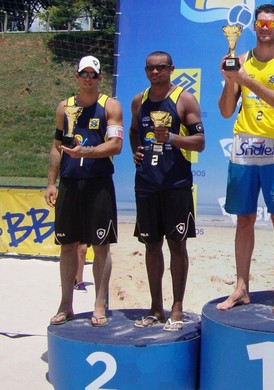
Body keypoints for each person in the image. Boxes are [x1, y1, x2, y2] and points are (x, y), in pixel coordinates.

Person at [217, 4, 274, 314]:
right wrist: (231, 81)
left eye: (270, 22)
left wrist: (248, 81)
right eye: (260, 22)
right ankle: (241, 287)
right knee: (244, 219)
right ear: (254, 27)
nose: (265, 27)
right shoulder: (240, 61)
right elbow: (227, 111)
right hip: (243, 147)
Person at [45, 55, 123, 327]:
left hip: (98, 183)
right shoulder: (64, 107)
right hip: (69, 184)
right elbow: (57, 147)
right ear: (76, 77)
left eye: (93, 74)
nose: (88, 78)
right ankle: (66, 304)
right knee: (67, 246)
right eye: (83, 73)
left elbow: (116, 146)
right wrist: (51, 182)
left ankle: (99, 305)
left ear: (100, 78)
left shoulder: (109, 106)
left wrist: (87, 152)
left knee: (101, 246)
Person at [130, 51, 205, 331]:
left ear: (171, 69)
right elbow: (134, 130)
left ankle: (177, 307)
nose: (155, 72)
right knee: (151, 246)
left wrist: (172, 138)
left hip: (175, 184)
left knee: (177, 245)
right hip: (147, 184)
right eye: (150, 68)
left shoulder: (184, 98)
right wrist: (136, 152)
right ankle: (155, 307)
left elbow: (200, 142)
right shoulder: (139, 100)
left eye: (161, 68)